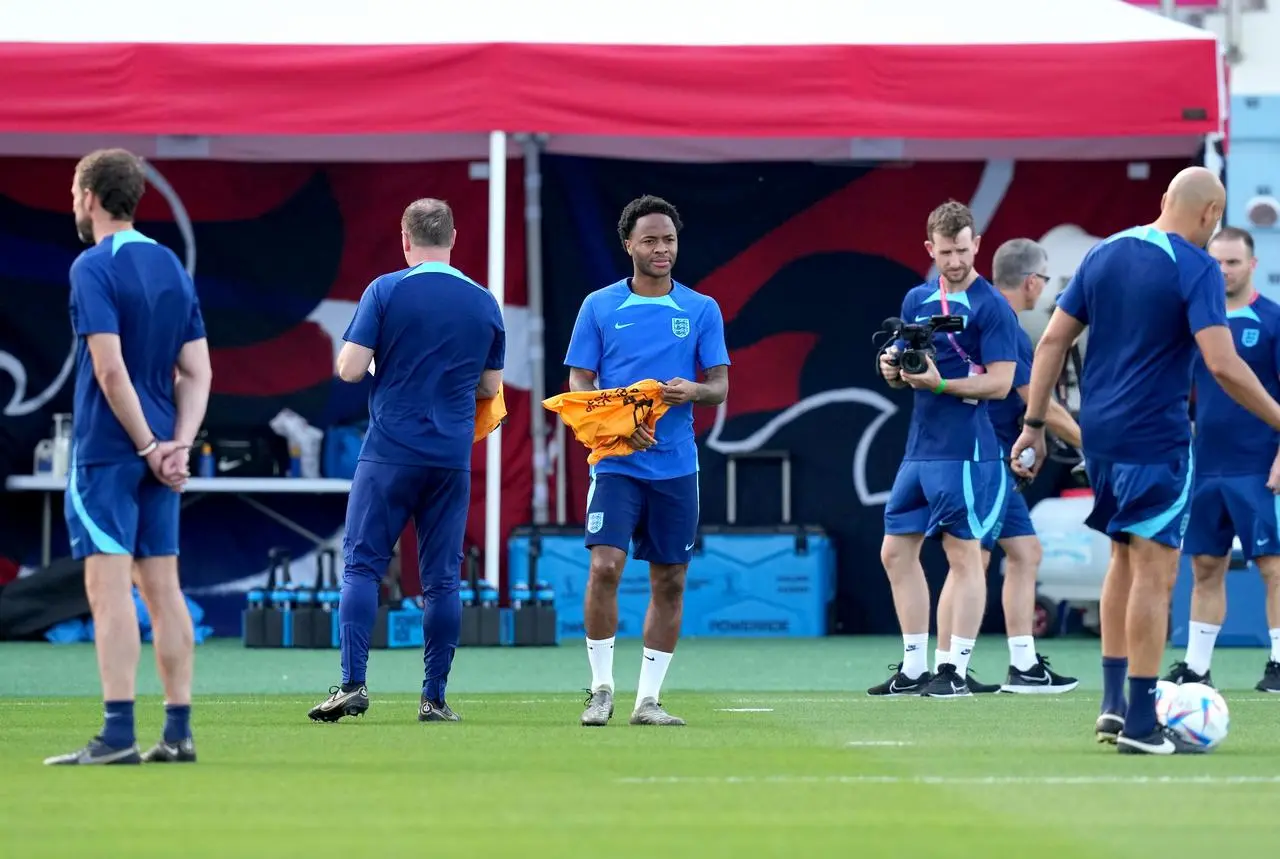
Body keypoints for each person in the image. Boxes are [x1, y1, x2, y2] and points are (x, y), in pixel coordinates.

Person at [1012, 167, 1280, 755]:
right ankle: (1140, 724)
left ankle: (1113, 705)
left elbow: (1052, 341)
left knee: (1124, 564)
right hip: (1156, 439)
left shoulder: (1104, 253)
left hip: (1099, 437)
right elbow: (1223, 363)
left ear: (1164, 201)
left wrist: (1034, 423)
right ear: (1211, 216)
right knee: (1156, 578)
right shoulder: (1197, 265)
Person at [307, 198, 505, 724]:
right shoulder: (484, 302)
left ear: (405, 239)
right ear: (454, 237)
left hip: (390, 452)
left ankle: (352, 684)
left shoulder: (386, 289)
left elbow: (349, 369)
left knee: (363, 567)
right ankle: (434, 698)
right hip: (450, 458)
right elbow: (490, 386)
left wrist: (387, 366)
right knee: (442, 580)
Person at [44, 148, 212, 766]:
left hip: (110, 454)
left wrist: (146, 446)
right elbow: (198, 371)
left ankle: (117, 734)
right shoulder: (170, 263)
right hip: (161, 453)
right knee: (163, 589)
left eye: (73, 192)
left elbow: (109, 370)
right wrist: (177, 448)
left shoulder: (92, 266)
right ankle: (178, 732)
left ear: (90, 195)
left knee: (107, 588)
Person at [565, 195, 730, 727]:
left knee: (671, 579)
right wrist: (616, 422)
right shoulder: (599, 306)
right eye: (651, 240)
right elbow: (579, 380)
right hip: (615, 461)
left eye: (669, 240)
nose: (662, 249)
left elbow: (720, 386)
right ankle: (601, 689)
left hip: (677, 465)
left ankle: (648, 701)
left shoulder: (701, 309)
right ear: (629, 245)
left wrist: (693, 391)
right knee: (605, 565)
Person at [869, 200, 1019, 699]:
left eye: (963, 249)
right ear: (930, 249)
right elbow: (901, 366)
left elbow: (1000, 384)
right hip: (920, 447)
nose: (955, 261)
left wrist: (939, 385)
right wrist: (891, 369)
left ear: (977, 244)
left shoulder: (992, 305)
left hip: (965, 448)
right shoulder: (916, 298)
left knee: (964, 556)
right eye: (945, 252)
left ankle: (954, 668)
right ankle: (914, 668)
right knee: (895, 552)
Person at [943, 238, 1081, 694]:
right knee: (970, 562)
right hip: (986, 460)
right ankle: (948, 671)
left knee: (1024, 554)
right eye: (1043, 280)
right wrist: (1091, 445)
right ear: (1032, 281)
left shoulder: (985, 317)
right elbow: (1036, 403)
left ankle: (1023, 665)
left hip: (992, 457)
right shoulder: (1005, 325)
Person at [1165, 227, 1280, 693]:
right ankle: (1196, 668)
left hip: (1259, 468)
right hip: (1205, 467)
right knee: (1205, 568)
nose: (1224, 271)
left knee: (1273, 567)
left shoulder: (1272, 320)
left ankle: (1278, 664)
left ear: (1252, 265)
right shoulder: (1195, 322)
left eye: (1233, 262)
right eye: (1216, 263)